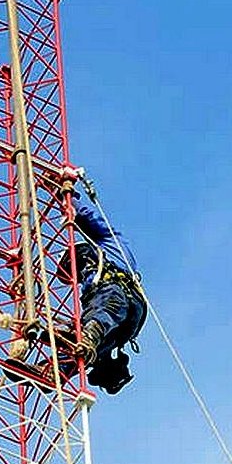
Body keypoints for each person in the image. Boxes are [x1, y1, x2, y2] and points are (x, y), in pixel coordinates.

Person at [53, 167, 147, 394]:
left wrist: (66, 197)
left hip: (114, 296)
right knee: (96, 347)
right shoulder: (117, 252)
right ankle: (59, 371)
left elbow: (88, 217)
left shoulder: (106, 244)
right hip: (132, 317)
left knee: (95, 325)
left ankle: (85, 338)